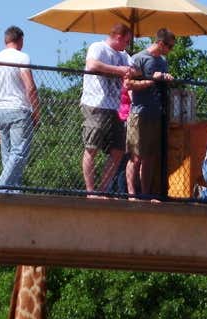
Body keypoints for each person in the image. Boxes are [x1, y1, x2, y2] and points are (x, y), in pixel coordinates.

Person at [80, 23, 134, 196]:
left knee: (118, 150)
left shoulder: (123, 55)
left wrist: (131, 73)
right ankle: (90, 191)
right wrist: (119, 70)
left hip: (114, 107)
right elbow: (92, 65)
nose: (127, 45)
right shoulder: (98, 47)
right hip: (96, 104)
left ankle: (102, 189)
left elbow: (133, 69)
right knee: (92, 147)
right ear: (118, 37)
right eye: (126, 41)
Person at [124, 28, 175, 200]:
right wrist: (152, 79)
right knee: (136, 156)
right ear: (160, 43)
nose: (170, 50)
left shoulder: (162, 61)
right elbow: (128, 84)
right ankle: (132, 194)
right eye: (169, 46)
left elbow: (160, 83)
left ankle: (145, 194)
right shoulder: (139, 58)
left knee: (150, 158)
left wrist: (166, 79)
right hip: (140, 113)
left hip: (157, 113)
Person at [0, 26, 39, 192]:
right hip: (19, 109)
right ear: (21, 40)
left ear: (5, 40)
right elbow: (30, 88)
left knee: (8, 157)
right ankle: (0, 189)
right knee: (19, 153)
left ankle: (12, 194)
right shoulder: (22, 58)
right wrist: (37, 112)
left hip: (1, 111)